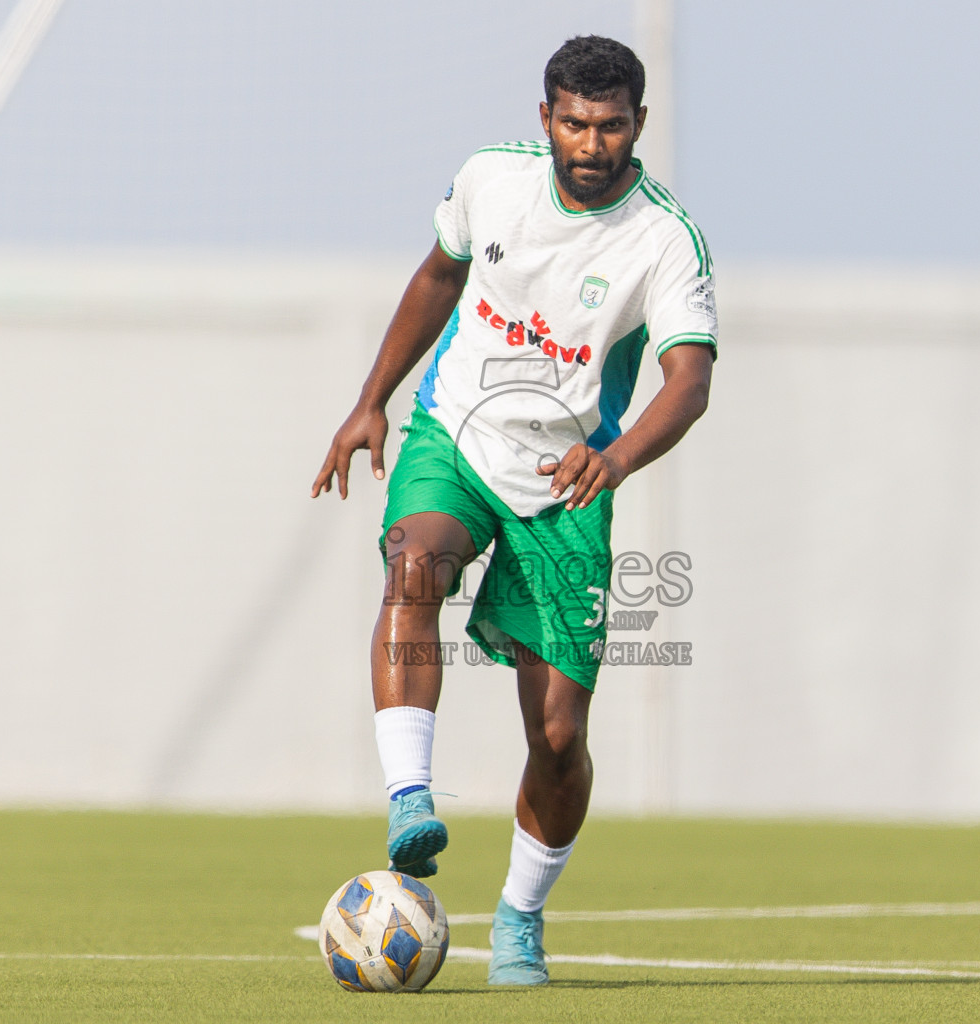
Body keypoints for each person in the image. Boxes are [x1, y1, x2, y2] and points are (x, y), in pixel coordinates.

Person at [310, 34, 716, 986]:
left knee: (560, 737)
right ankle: (411, 798)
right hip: (456, 434)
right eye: (574, 123)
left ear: (638, 125)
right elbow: (437, 277)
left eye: (610, 126)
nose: (591, 143)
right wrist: (372, 400)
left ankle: (520, 918)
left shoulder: (665, 239)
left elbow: (688, 381)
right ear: (546, 119)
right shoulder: (491, 180)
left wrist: (615, 458)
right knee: (414, 563)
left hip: (569, 479)